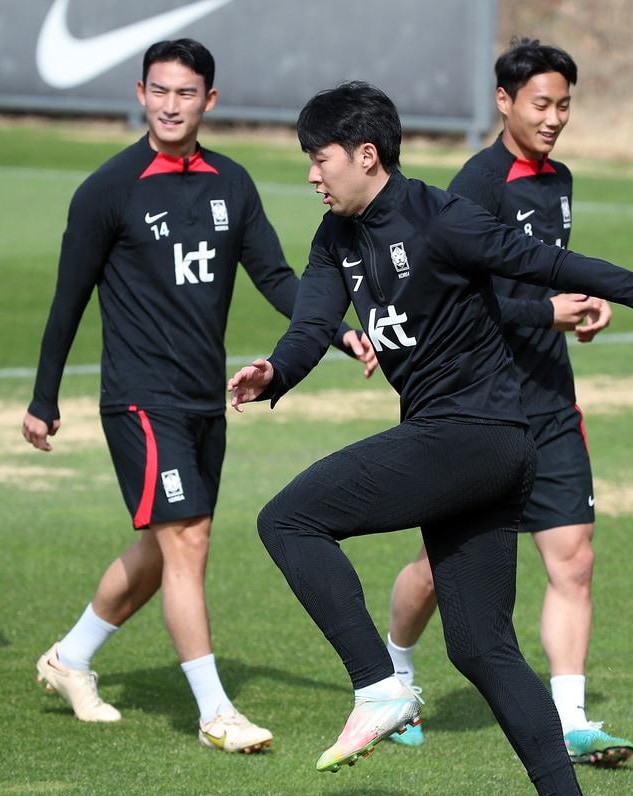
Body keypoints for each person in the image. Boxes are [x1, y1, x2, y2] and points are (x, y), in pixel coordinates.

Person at [229, 81, 633, 796]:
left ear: (365, 155)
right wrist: (275, 372)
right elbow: (310, 326)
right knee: (480, 645)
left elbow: (557, 265)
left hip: (473, 437)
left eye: (319, 159)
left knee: (288, 519)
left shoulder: (442, 218)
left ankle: (379, 685)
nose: (311, 175)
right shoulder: (336, 236)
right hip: (472, 450)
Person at [21, 39, 374, 753]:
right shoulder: (108, 189)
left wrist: (338, 332)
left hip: (204, 401)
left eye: (186, 93)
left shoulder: (231, 184)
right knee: (187, 539)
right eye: (159, 90)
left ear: (209, 100)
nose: (171, 105)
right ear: (140, 93)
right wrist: (43, 398)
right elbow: (68, 299)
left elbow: (276, 278)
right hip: (139, 398)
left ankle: (70, 657)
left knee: (163, 548)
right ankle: (216, 712)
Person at [384, 39, 632, 764]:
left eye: (564, 105)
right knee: (438, 569)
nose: (554, 118)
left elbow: (542, 276)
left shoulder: (559, 181)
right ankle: (393, 676)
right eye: (541, 104)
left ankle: (570, 718)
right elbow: (451, 299)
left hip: (550, 402)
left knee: (573, 558)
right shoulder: (475, 186)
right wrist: (543, 314)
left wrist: (581, 306)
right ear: (504, 101)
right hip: (477, 404)